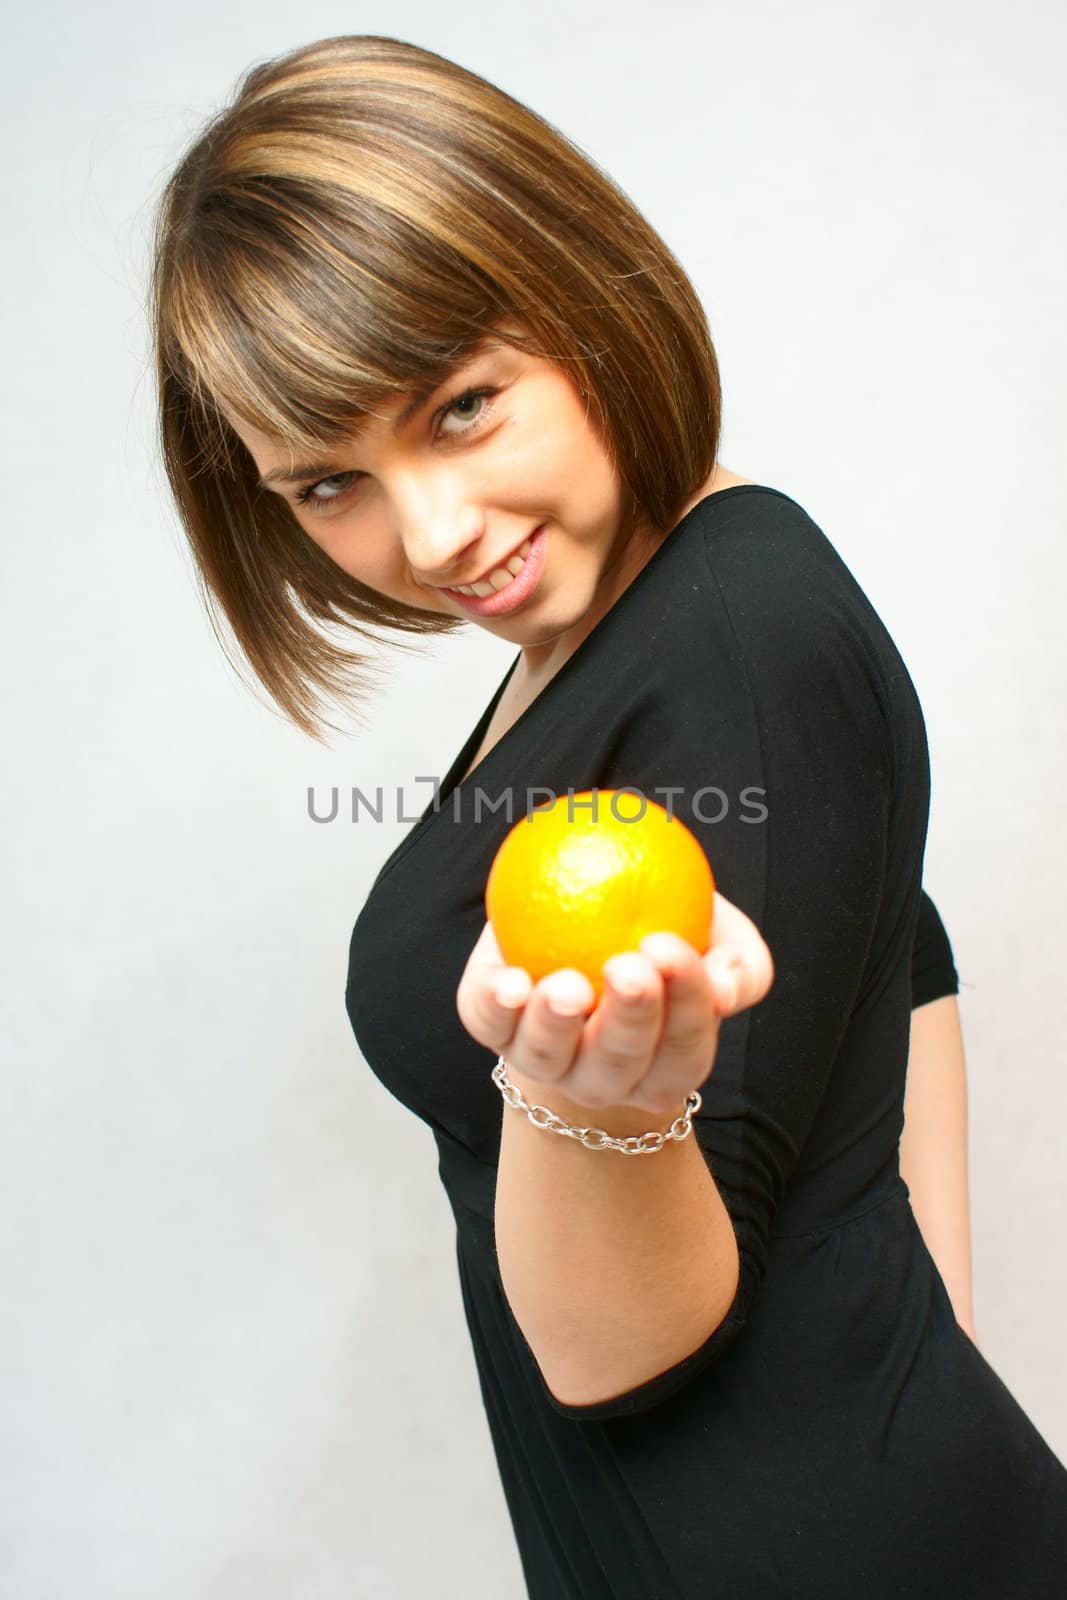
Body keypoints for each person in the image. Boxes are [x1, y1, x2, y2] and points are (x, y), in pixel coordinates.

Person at [148, 33, 1067, 1597]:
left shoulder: (735, 616)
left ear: (586, 292)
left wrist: (601, 1111)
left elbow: (625, 1356)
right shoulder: (608, 627)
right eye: (326, 484)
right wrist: (943, 1350)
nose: (431, 535)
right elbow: (897, 944)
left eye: (460, 407)